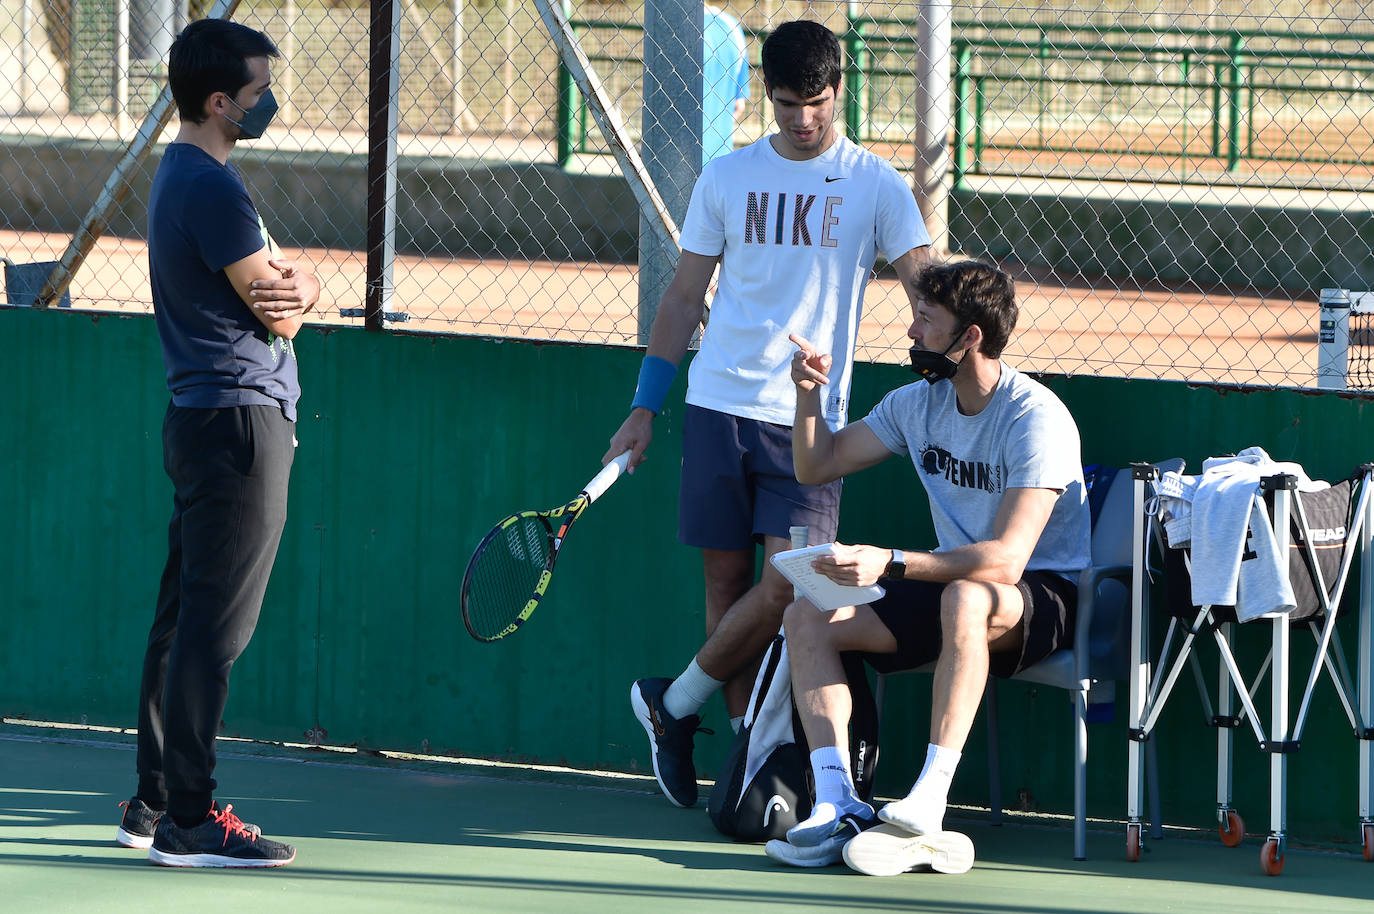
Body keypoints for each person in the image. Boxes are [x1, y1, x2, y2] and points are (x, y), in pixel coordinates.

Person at [605, 19, 932, 809]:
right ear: (769, 96)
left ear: (839, 90)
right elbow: (683, 297)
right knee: (726, 583)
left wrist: (969, 353)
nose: (801, 119)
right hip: (719, 403)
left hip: (809, 423)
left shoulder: (877, 185)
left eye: (815, 102)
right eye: (786, 104)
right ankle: (744, 761)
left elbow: (930, 285)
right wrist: (644, 407)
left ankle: (672, 703)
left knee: (793, 589)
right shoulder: (726, 176)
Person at [765, 259, 1090, 869]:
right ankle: (839, 805)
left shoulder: (1034, 418)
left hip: (1041, 594)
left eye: (925, 321)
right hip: (950, 586)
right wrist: (807, 395)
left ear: (969, 337)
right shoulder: (916, 404)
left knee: (966, 596)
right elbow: (818, 463)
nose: (911, 333)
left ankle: (929, 799)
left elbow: (1007, 558)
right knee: (808, 614)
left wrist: (887, 561)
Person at [113, 17, 319, 868]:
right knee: (212, 630)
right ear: (217, 100)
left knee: (183, 617)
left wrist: (290, 283)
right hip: (236, 425)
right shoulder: (210, 186)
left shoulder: (191, 174)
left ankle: (152, 802)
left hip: (209, 422)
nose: (269, 100)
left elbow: (278, 286)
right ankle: (189, 820)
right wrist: (303, 288)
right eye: (258, 90)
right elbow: (282, 304)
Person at [702, 5, 750, 165]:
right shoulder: (731, 25)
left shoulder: (665, 29)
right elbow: (739, 104)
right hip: (719, 158)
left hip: (671, 157)